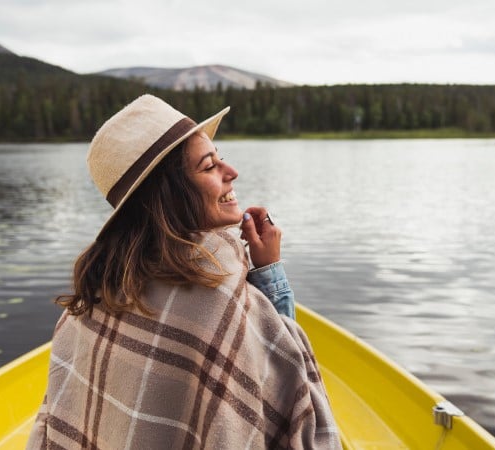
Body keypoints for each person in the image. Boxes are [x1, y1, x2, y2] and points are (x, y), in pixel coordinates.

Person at [27, 95, 340, 449]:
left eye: (220, 157)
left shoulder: (94, 294)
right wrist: (269, 275)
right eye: (209, 167)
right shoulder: (216, 296)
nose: (231, 172)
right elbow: (297, 409)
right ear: (169, 194)